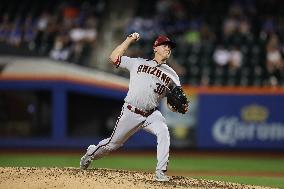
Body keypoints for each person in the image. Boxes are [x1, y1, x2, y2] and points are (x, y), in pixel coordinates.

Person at [80, 32, 189, 181]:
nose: (168, 49)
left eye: (170, 47)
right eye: (165, 46)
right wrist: (129, 40)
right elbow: (114, 58)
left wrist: (176, 105)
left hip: (151, 114)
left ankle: (160, 172)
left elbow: (175, 99)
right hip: (131, 112)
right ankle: (90, 154)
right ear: (155, 47)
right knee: (112, 145)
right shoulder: (138, 63)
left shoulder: (172, 75)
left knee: (163, 131)